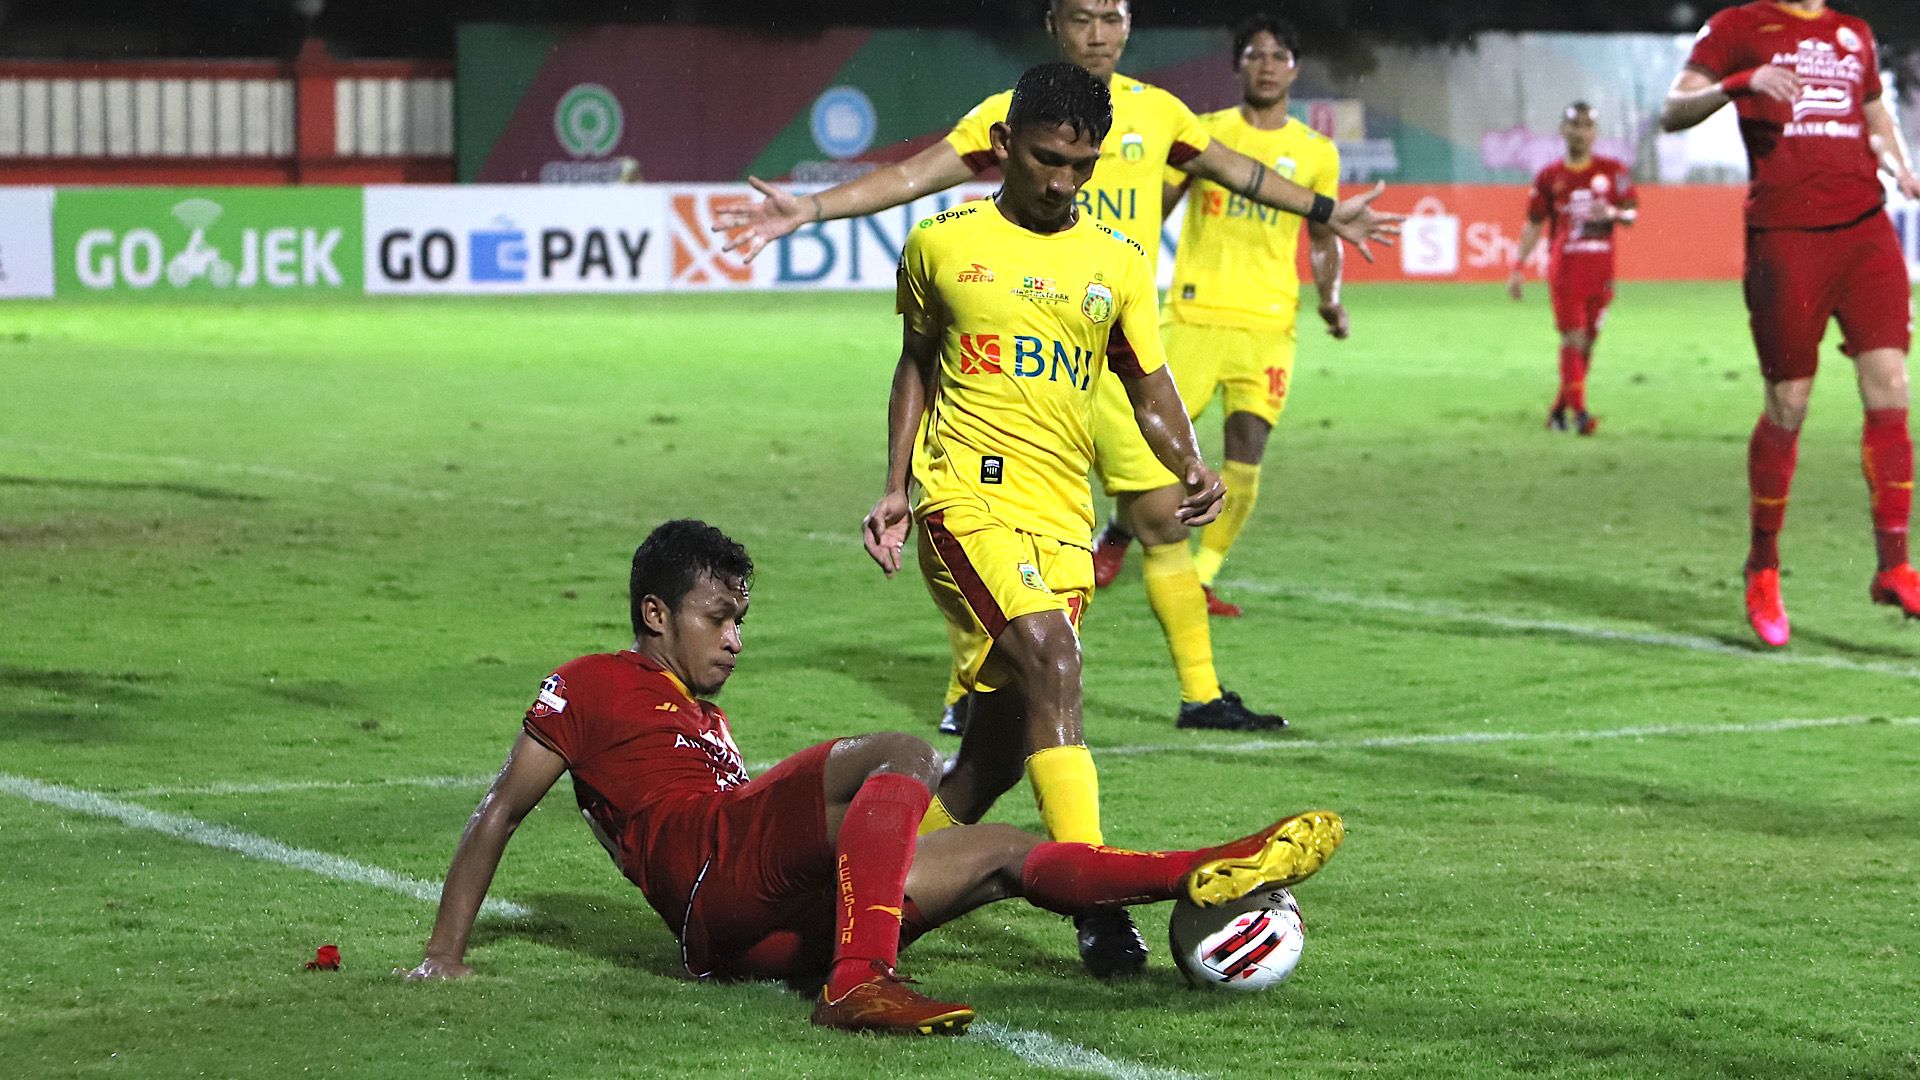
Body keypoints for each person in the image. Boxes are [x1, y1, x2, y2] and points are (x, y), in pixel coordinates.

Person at [719, 0, 1399, 739]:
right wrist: (810, 209)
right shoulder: (1007, 114)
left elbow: (1236, 170)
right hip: (1019, 357)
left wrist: (1325, 210)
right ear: (1054, 24)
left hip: (1116, 355)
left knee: (1161, 521)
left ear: (1131, 24)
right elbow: (918, 173)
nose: (1099, 33)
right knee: (985, 523)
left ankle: (1201, 694)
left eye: (1112, 16)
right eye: (1083, 17)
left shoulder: (1160, 112)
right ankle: (968, 690)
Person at [398, 519, 1347, 1038]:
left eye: (740, 619)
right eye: (716, 617)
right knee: (898, 751)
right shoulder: (593, 684)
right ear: (655, 613)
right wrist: (444, 953)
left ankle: (1201, 869)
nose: (733, 638)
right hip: (708, 863)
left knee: (1008, 855)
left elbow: (870, 834)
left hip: (751, 938)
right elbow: (498, 813)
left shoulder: (706, 718)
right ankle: (862, 980)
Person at [858, 61, 1240, 979]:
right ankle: (1098, 906)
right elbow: (915, 363)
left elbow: (1146, 378)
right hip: (966, 499)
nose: (1062, 181)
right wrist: (897, 486)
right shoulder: (943, 244)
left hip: (1060, 517)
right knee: (1054, 659)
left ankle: (871, 889)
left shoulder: (1115, 260)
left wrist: (1189, 460)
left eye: (1082, 165)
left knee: (993, 755)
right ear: (1005, 147)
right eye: (1045, 159)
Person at [1660, 0, 1920, 645]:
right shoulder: (1737, 27)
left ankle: (1894, 567)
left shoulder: (1852, 32)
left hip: (1865, 230)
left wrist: (1898, 160)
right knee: (1788, 402)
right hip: (1787, 235)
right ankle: (1763, 566)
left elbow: (1871, 108)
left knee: (1891, 387)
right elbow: (1672, 111)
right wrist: (1738, 85)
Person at [1095, 14, 1348, 622]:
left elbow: (1322, 235)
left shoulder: (1316, 153)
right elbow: (1155, 206)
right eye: (1255, 54)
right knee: (1151, 448)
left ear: (1295, 67)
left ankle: (1203, 573)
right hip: (1193, 314)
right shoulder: (1206, 134)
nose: (1266, 64)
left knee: (1246, 453)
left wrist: (1330, 298)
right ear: (1238, 65)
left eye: (1278, 55)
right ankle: (1119, 535)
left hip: (1268, 325)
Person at [1507, 102, 1637, 436]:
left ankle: (1557, 412)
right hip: (1565, 270)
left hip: (1601, 271)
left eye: (1586, 125)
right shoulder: (1550, 176)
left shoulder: (1613, 171)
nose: (1579, 132)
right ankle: (1581, 414)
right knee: (1573, 338)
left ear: (1594, 132)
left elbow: (1631, 215)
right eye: (1573, 125)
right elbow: (1534, 224)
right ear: (1562, 130)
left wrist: (1612, 214)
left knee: (1588, 345)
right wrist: (1518, 266)